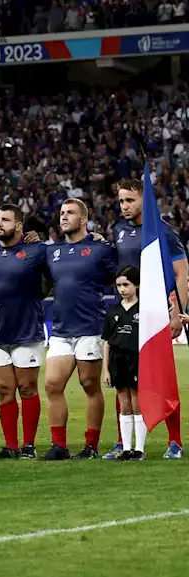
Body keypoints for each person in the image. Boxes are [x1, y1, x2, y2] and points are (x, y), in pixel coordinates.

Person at [108, 180, 187, 458]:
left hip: (155, 315)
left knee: (162, 378)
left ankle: (174, 442)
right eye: (121, 201)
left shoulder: (163, 231)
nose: (124, 206)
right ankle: (123, 442)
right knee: (124, 379)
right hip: (128, 313)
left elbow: (181, 273)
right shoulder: (118, 231)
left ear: (145, 201)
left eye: (130, 200)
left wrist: (177, 311)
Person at [43, 198, 117, 460]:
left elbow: (120, 278)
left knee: (89, 384)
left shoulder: (100, 250)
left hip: (91, 326)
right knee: (52, 385)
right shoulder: (51, 251)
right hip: (61, 329)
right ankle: (59, 446)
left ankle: (91, 446)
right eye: (61, 212)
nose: (63, 216)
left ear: (83, 220)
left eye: (70, 213)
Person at [0, 206, 51, 459]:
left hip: (27, 329)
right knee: (3, 390)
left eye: (5, 220)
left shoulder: (37, 250)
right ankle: (11, 446)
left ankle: (29, 446)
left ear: (19, 225)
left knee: (27, 388)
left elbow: (62, 254)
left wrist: (96, 238)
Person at [103, 267, 143, 460]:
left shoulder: (143, 309)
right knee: (124, 403)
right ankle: (126, 448)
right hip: (117, 360)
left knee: (137, 402)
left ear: (136, 285)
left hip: (136, 359)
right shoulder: (114, 311)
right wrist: (106, 370)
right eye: (118, 285)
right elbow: (107, 342)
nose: (122, 289)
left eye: (126, 285)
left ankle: (139, 449)